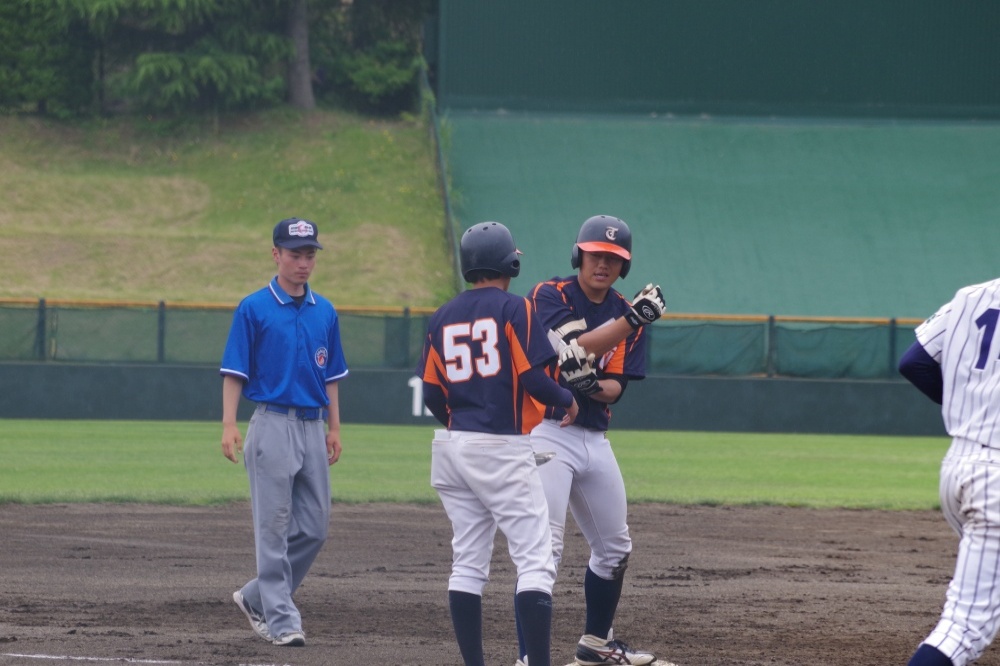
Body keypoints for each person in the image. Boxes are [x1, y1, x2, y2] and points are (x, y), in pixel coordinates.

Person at [418, 221, 580, 666]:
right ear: (510, 261)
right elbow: (532, 377)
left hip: (452, 448)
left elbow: (432, 393)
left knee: (468, 563)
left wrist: (461, 426)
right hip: (500, 449)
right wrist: (566, 399)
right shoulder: (516, 308)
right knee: (535, 560)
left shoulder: (441, 315)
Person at [521, 215, 666, 666]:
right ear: (578, 255)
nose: (602, 264)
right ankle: (531, 658)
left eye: (613, 258)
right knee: (545, 548)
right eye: (595, 254)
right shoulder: (550, 294)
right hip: (546, 431)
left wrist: (586, 386)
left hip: (594, 435)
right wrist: (630, 319)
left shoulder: (627, 313)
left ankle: (596, 645)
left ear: (623, 266)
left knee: (615, 548)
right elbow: (575, 348)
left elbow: (614, 388)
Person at [219, 217, 348, 648]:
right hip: (271, 422)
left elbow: (331, 376)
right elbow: (235, 371)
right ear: (275, 254)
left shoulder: (324, 310)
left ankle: (257, 595)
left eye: (310, 254)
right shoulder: (253, 307)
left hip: (313, 426)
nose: (303, 262)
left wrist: (334, 427)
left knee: (315, 526)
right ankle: (280, 619)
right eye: (295, 254)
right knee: (272, 527)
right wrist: (228, 425)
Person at [899, 277, 1000, 666]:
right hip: (995, 483)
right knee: (963, 629)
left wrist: (965, 410)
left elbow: (915, 361)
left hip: (959, 468)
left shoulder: (970, 296)